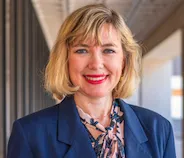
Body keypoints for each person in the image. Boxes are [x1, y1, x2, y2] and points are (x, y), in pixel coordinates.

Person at [7, 4, 176, 158]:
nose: (96, 64)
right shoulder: (30, 133)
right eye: (82, 50)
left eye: (108, 50)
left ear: (124, 60)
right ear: (65, 59)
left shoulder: (158, 129)